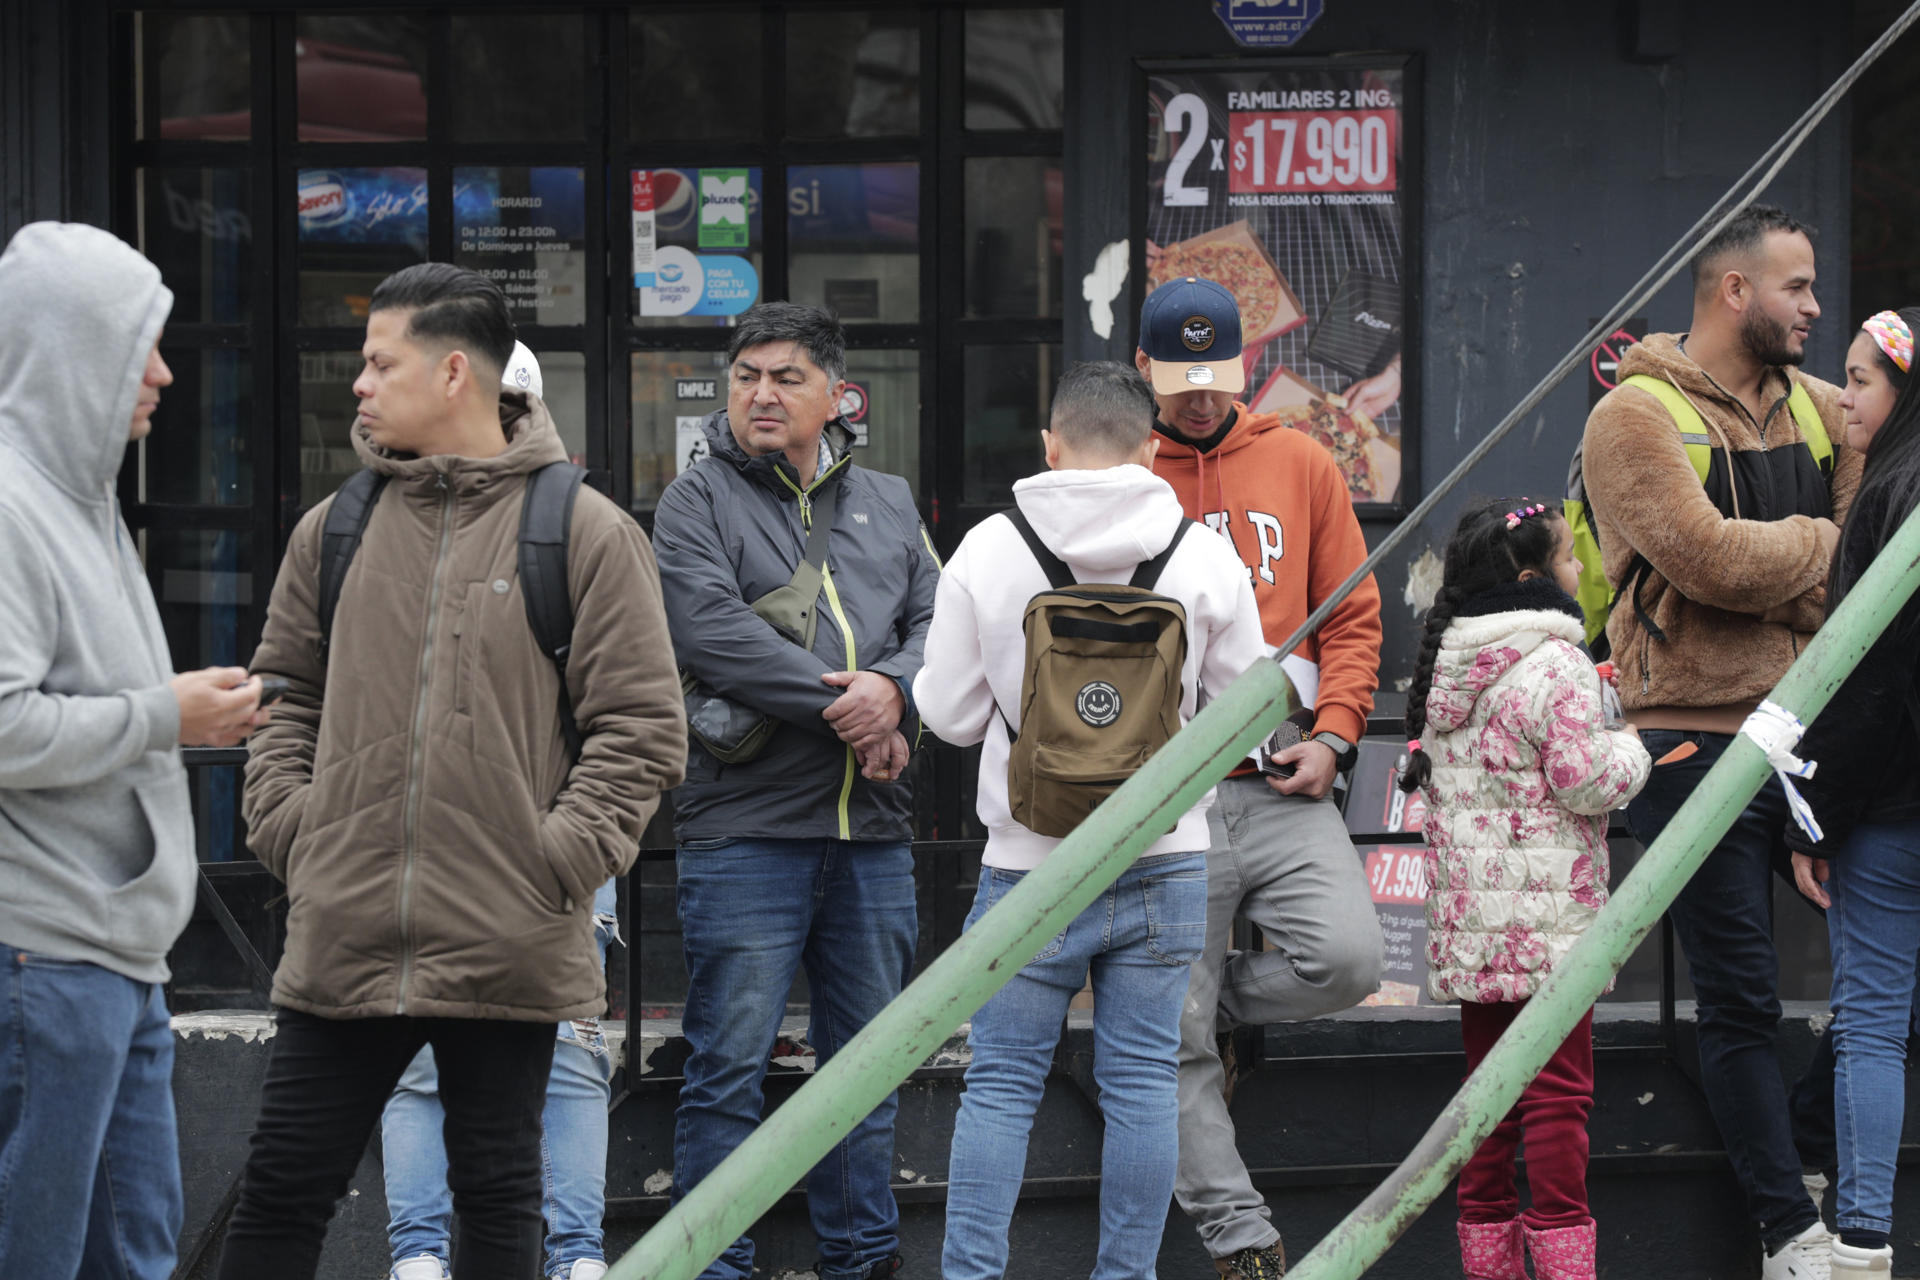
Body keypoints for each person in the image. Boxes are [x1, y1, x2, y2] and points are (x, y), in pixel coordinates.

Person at [220, 263, 687, 1280]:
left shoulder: (586, 531)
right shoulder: (333, 529)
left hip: (507, 930)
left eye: (380, 361)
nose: (360, 383)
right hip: (346, 927)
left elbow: (642, 726)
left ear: (454, 372)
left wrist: (553, 860)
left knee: (498, 1195)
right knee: (283, 1189)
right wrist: (297, 829)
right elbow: (283, 694)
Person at [917, 360, 1265, 1280]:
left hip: (1026, 868)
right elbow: (1245, 716)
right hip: (1165, 859)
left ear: (1050, 443)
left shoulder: (989, 550)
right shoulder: (1202, 553)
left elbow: (948, 717)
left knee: (997, 1089)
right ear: (1153, 448)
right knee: (1145, 1085)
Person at [1581, 203, 1862, 1280]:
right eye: (1797, 286)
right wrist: (1826, 557)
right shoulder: (1633, 416)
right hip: (1691, 748)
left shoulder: (1826, 408)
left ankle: (1809, 1142)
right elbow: (1706, 562)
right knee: (1741, 993)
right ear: (1735, 292)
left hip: (1817, 740)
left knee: (1893, 968)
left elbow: (1864, 559)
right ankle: (1787, 1225)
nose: (1814, 306)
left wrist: (1804, 570)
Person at [0, 221, 267, 1280]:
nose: (162, 372)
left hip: (115, 962)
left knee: (134, 1254)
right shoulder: (12, 507)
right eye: (138, 344)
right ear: (72, 348)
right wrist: (168, 715)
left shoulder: (84, 500)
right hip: (46, 956)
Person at [653, 301, 938, 1280]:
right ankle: (714, 1264)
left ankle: (861, 1260)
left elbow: (939, 623)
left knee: (866, 1067)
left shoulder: (891, 502)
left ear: (835, 392)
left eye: (784, 377)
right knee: (727, 1067)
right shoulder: (695, 501)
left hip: (875, 832)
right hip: (746, 830)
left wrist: (893, 687)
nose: (760, 394)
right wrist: (853, 710)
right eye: (745, 377)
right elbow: (712, 637)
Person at [1136, 275, 1386, 1279]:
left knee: (1350, 958)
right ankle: (1240, 1236)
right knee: (1170, 1029)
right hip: (1162, 795)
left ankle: (1225, 1011)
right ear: (1144, 367)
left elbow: (1354, 616)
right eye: (1181, 378)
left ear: (1243, 364)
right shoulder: (1119, 469)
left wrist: (1335, 735)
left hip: (1280, 774)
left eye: (1217, 376)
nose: (1201, 399)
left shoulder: (1301, 457)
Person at [379, 342, 620, 1280]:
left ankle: (532, 1258)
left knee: (525, 1060)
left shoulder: (567, 525)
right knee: (517, 1059)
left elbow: (628, 710)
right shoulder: (377, 520)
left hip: (524, 845)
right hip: (454, 844)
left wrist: (571, 845)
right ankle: (454, 1258)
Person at [1399, 498, 1651, 1280]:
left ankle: (1491, 1264)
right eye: (1574, 559)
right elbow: (1584, 781)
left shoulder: (1446, 666)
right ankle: (1565, 1260)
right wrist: (1633, 749)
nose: (1586, 572)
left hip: (1475, 931)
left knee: (1486, 1100)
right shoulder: (1556, 662)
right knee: (1558, 1096)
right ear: (1538, 576)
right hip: (1548, 930)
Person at [1786, 307, 1920, 1277]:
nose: (1843, 395)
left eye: (1862, 377)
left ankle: (1862, 1243)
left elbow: (1863, 674)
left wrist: (1815, 813)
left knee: (1870, 1020)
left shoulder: (1888, 496)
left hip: (1888, 809)